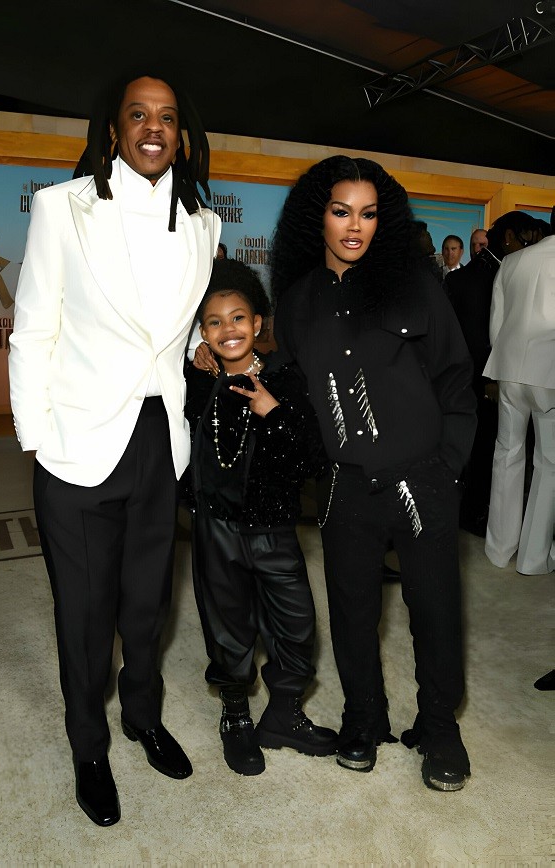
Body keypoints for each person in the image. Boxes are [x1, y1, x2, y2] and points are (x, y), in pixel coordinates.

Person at [8, 71, 221, 826]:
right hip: (77, 444)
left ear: (181, 134)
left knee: (146, 604)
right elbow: (34, 326)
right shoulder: (62, 208)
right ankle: (89, 746)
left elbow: (176, 322)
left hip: (161, 441)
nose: (153, 128)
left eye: (167, 116)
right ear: (114, 129)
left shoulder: (204, 221)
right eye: (139, 115)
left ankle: (142, 716)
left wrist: (201, 345)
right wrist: (36, 437)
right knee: (84, 616)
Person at [270, 155, 477, 791]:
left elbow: (455, 381)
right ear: (319, 217)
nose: (354, 226)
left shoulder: (417, 286)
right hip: (345, 487)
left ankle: (440, 727)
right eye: (340, 212)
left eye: (367, 213)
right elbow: (299, 394)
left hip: (423, 479)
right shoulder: (299, 302)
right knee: (353, 609)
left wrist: (446, 469)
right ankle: (365, 716)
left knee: (436, 610)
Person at [184, 258, 338, 776]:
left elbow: (313, 460)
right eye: (215, 321)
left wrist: (272, 411)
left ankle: (285, 713)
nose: (229, 330)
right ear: (201, 332)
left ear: (258, 323)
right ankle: (236, 716)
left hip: (274, 528)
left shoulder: (287, 382)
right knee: (228, 628)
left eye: (239, 318)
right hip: (216, 530)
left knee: (297, 627)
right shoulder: (197, 383)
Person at [444, 211, 537, 536]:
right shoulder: (508, 273)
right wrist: (491, 379)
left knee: (469, 450)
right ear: (510, 237)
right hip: (493, 379)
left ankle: (463, 513)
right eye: (527, 236)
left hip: (459, 379)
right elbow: (495, 334)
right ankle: (479, 517)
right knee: (490, 451)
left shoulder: (460, 278)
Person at [483, 207, 555, 575]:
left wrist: (501, 370)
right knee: (549, 465)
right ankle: (533, 558)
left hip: (509, 370)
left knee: (506, 455)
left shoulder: (512, 263)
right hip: (549, 374)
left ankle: (498, 549)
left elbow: (497, 323)